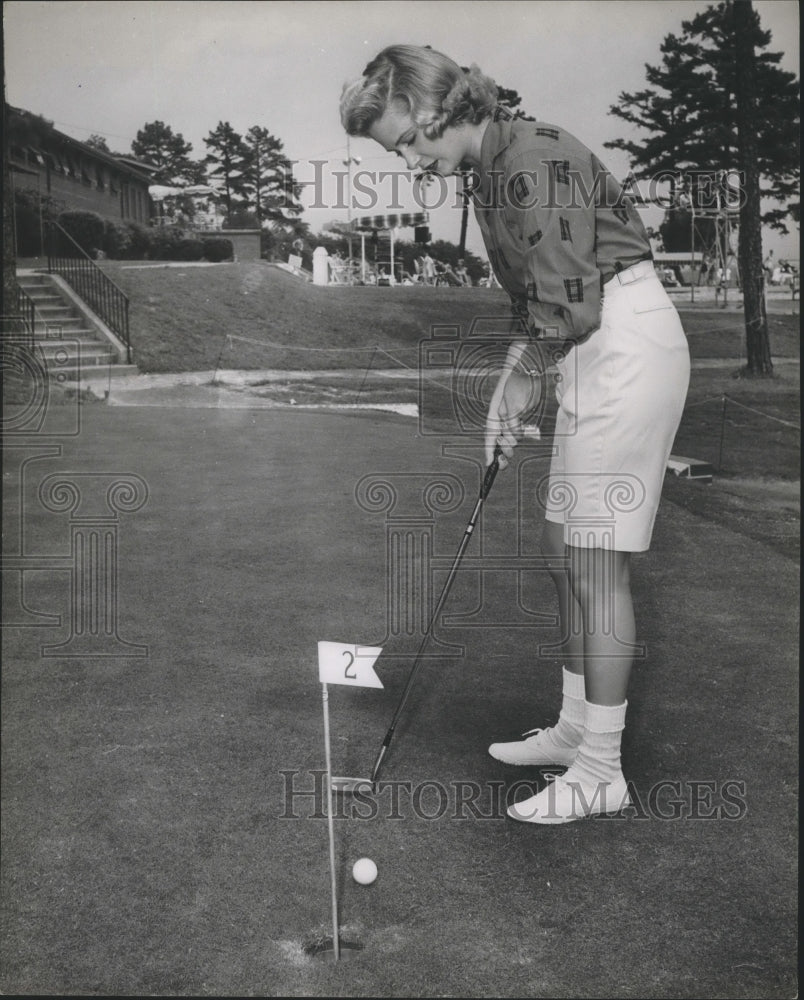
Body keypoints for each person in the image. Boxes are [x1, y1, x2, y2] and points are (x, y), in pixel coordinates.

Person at [340, 45, 690, 824]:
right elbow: (538, 302)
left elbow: (572, 304)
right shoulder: (494, 167)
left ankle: (602, 770)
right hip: (588, 349)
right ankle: (576, 730)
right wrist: (512, 385)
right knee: (566, 553)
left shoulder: (528, 157)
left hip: (622, 345)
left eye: (407, 140)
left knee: (597, 564)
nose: (408, 160)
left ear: (434, 111)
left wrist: (526, 379)